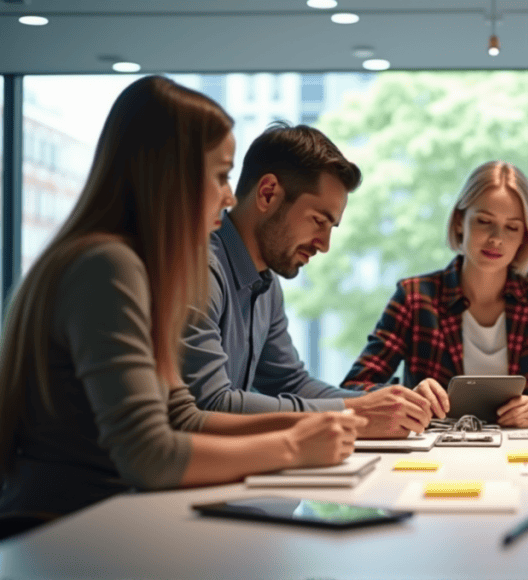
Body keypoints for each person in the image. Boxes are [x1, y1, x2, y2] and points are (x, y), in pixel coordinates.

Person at [0, 76, 365, 519]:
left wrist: (331, 422)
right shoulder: (106, 266)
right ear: (168, 176)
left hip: (116, 524)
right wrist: (293, 445)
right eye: (220, 176)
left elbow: (185, 417)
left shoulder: (136, 265)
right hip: (69, 535)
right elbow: (149, 454)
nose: (230, 196)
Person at [181, 123, 433, 439]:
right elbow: (208, 405)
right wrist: (353, 413)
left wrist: (382, 404)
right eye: (318, 220)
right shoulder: (199, 272)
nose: (324, 244)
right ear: (267, 193)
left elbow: (290, 382)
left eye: (331, 227)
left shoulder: (266, 283)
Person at [343, 161, 528, 427]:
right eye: (484, 221)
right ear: (458, 222)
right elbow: (354, 389)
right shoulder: (415, 297)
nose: (496, 239)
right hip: (436, 455)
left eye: (512, 227)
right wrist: (409, 398)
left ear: (525, 236)